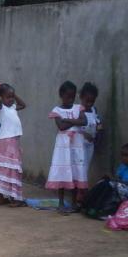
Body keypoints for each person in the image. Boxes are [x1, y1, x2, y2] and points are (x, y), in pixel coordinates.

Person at [45, 80, 88, 214]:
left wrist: (68, 120)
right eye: (68, 96)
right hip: (63, 146)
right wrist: (76, 121)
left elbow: (84, 121)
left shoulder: (78, 108)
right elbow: (61, 126)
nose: (71, 99)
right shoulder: (56, 111)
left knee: (75, 170)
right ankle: (61, 203)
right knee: (63, 171)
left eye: (73, 96)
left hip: (77, 145)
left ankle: (74, 203)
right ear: (61, 95)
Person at [0, 82, 27, 207]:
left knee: (3, 168)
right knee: (11, 169)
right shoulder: (0, 108)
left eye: (12, 97)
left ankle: (1, 197)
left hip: (8, 141)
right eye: (8, 97)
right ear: (1, 97)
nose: (11, 99)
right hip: (8, 142)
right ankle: (15, 199)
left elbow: (23, 105)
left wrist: (14, 95)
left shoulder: (12, 108)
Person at [79, 82, 102, 201]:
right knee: (80, 167)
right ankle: (80, 192)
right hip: (79, 144)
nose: (89, 104)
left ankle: (82, 191)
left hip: (90, 144)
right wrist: (83, 134)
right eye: (87, 100)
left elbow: (98, 123)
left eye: (92, 101)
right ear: (81, 97)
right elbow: (74, 128)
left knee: (86, 167)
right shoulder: (78, 110)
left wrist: (98, 133)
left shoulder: (94, 110)